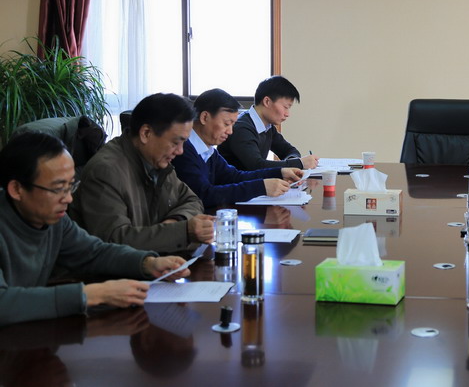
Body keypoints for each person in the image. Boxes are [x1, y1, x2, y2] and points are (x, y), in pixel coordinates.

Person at [0, 132, 190, 327]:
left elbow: (94, 253)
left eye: (70, 186)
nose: (68, 198)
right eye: (57, 189)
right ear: (17, 189)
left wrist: (148, 263)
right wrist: (92, 294)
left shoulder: (56, 221)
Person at [72, 93, 213, 254]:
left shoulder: (157, 161)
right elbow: (114, 241)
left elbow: (192, 200)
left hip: (156, 262)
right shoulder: (105, 171)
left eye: (184, 143)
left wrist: (176, 221)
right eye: (175, 142)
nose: (180, 151)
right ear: (146, 133)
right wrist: (182, 231)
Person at [172, 88, 303, 210]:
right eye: (226, 124)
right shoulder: (182, 150)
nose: (230, 131)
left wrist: (279, 172)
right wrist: (261, 187)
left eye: (232, 125)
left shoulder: (209, 151)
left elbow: (234, 176)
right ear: (204, 117)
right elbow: (203, 194)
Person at [218, 76, 318, 171]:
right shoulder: (242, 128)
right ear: (267, 102)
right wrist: (299, 163)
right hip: (234, 183)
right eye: (285, 107)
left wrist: (292, 162)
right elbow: (257, 166)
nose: (287, 114)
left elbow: (289, 151)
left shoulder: (267, 127)